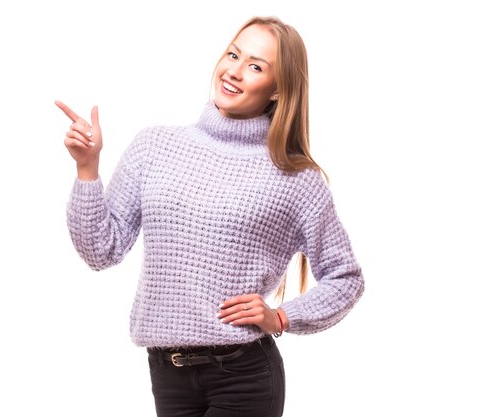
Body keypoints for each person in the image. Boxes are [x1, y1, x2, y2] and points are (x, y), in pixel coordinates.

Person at [56, 15, 364, 417]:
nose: (234, 71)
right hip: (167, 374)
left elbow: (346, 277)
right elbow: (101, 250)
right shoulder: (155, 146)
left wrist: (283, 316)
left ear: (278, 90)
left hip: (244, 378)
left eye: (256, 66)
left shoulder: (295, 179)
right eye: (233, 54)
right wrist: (87, 168)